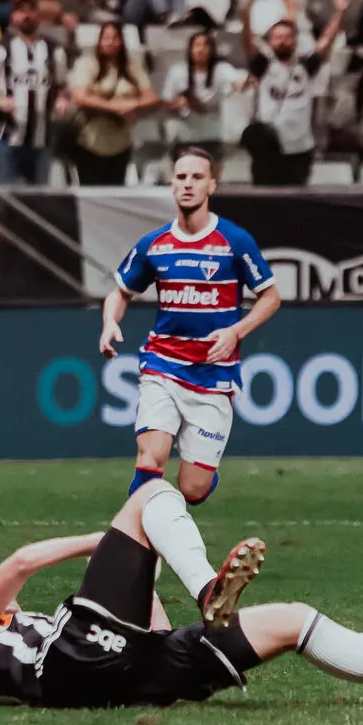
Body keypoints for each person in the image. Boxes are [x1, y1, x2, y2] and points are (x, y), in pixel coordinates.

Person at [0, 482, 363, 711]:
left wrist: (139, 558)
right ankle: (206, 588)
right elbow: (21, 563)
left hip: (136, 676)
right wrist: (106, 540)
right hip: (74, 669)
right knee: (151, 496)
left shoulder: (38, 633)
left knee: (294, 620)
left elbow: (151, 636)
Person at [96, 146, 278, 505]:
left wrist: (236, 331)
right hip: (162, 365)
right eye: (181, 177)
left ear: (212, 185)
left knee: (192, 489)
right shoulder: (154, 245)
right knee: (150, 459)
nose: (188, 184)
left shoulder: (234, 241)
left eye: (197, 177)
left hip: (213, 374)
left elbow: (270, 297)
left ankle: (200, 477)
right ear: (172, 185)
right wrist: (108, 324)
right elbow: (120, 293)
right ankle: (136, 536)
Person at [239, 0, 348, 186]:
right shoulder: (263, 66)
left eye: (287, 37)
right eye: (277, 37)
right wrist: (246, 13)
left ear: (295, 40)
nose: (282, 41)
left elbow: (326, 42)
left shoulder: (306, 66)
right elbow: (247, 42)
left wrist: (340, 12)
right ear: (270, 41)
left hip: (299, 148)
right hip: (269, 148)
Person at [0, 0, 69, 186]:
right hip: (7, 138)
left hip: (42, 140)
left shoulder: (55, 50)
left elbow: (63, 86)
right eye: (20, 11)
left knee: (39, 198)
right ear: (13, 16)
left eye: (31, 10)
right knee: (7, 197)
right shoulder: (0, 48)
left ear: (39, 15)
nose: (26, 15)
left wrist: (62, 100)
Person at [65, 22, 155, 185]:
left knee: (116, 189)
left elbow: (151, 97)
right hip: (90, 140)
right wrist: (114, 107)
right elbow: (80, 97)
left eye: (115, 38)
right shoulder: (87, 63)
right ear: (99, 41)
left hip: (121, 141)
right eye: (106, 38)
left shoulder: (132, 66)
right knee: (90, 190)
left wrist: (132, 104)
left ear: (121, 41)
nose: (110, 42)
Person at [157, 29, 241, 155]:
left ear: (212, 50)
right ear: (190, 49)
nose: (201, 49)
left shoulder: (221, 69)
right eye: (197, 45)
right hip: (185, 134)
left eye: (205, 45)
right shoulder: (177, 71)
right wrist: (182, 103)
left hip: (212, 134)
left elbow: (239, 80)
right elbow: (166, 103)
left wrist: (240, 83)